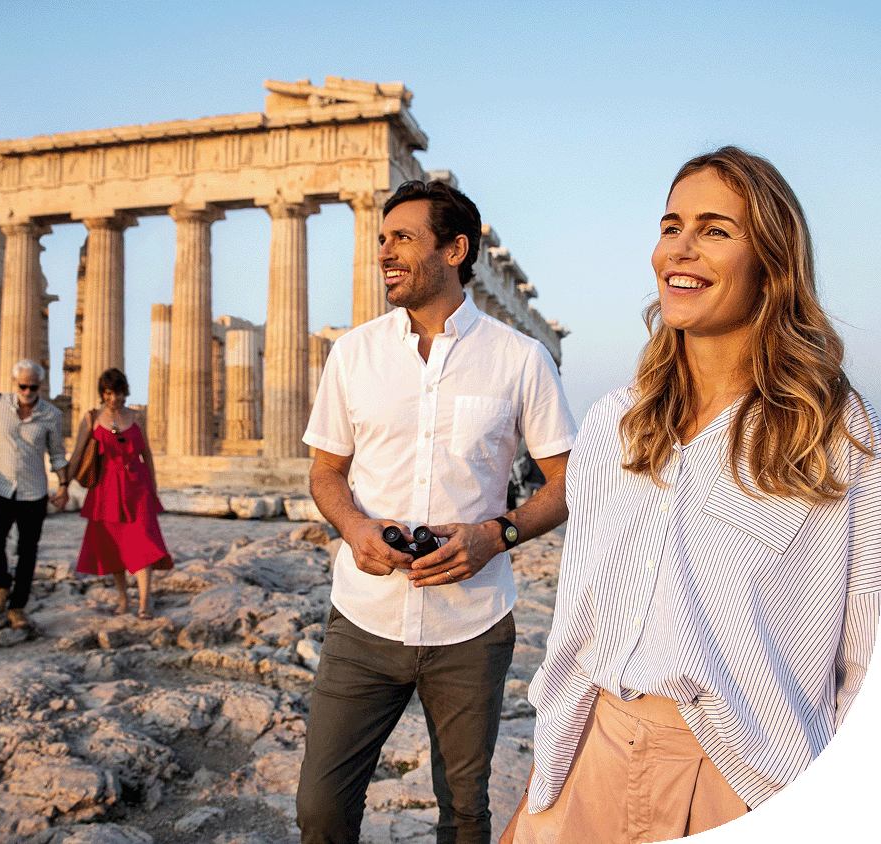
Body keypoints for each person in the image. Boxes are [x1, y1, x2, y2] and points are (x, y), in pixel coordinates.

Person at [501, 147, 880, 844]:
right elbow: (576, 634)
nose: (681, 247)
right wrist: (537, 799)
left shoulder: (831, 429)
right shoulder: (613, 423)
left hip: (746, 786)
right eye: (672, 225)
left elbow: (868, 656)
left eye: (715, 229)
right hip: (592, 762)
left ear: (771, 263)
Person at [296, 179, 577, 844]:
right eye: (382, 239)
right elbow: (326, 470)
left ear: (455, 249)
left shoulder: (520, 359)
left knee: (465, 811)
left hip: (471, 627)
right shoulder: (352, 353)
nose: (384, 252)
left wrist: (495, 535)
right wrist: (355, 526)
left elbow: (568, 482)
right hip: (363, 622)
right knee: (321, 806)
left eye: (402, 238)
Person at [0, 359, 70, 630]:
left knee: (27, 552)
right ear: (16, 383)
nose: (27, 392)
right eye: (23, 386)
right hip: (1, 488)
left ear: (40, 386)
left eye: (33, 387)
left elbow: (57, 454)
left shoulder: (51, 414)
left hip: (34, 492)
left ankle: (18, 606)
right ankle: (2, 584)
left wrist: (63, 486)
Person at [68, 368, 172, 618]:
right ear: (103, 394)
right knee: (113, 545)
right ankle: (124, 599)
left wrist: (153, 487)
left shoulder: (137, 416)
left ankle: (145, 602)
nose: (114, 398)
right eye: (108, 393)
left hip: (137, 486)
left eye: (118, 393)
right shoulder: (92, 418)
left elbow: (146, 453)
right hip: (106, 489)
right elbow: (78, 453)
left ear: (125, 392)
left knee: (144, 539)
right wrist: (63, 485)